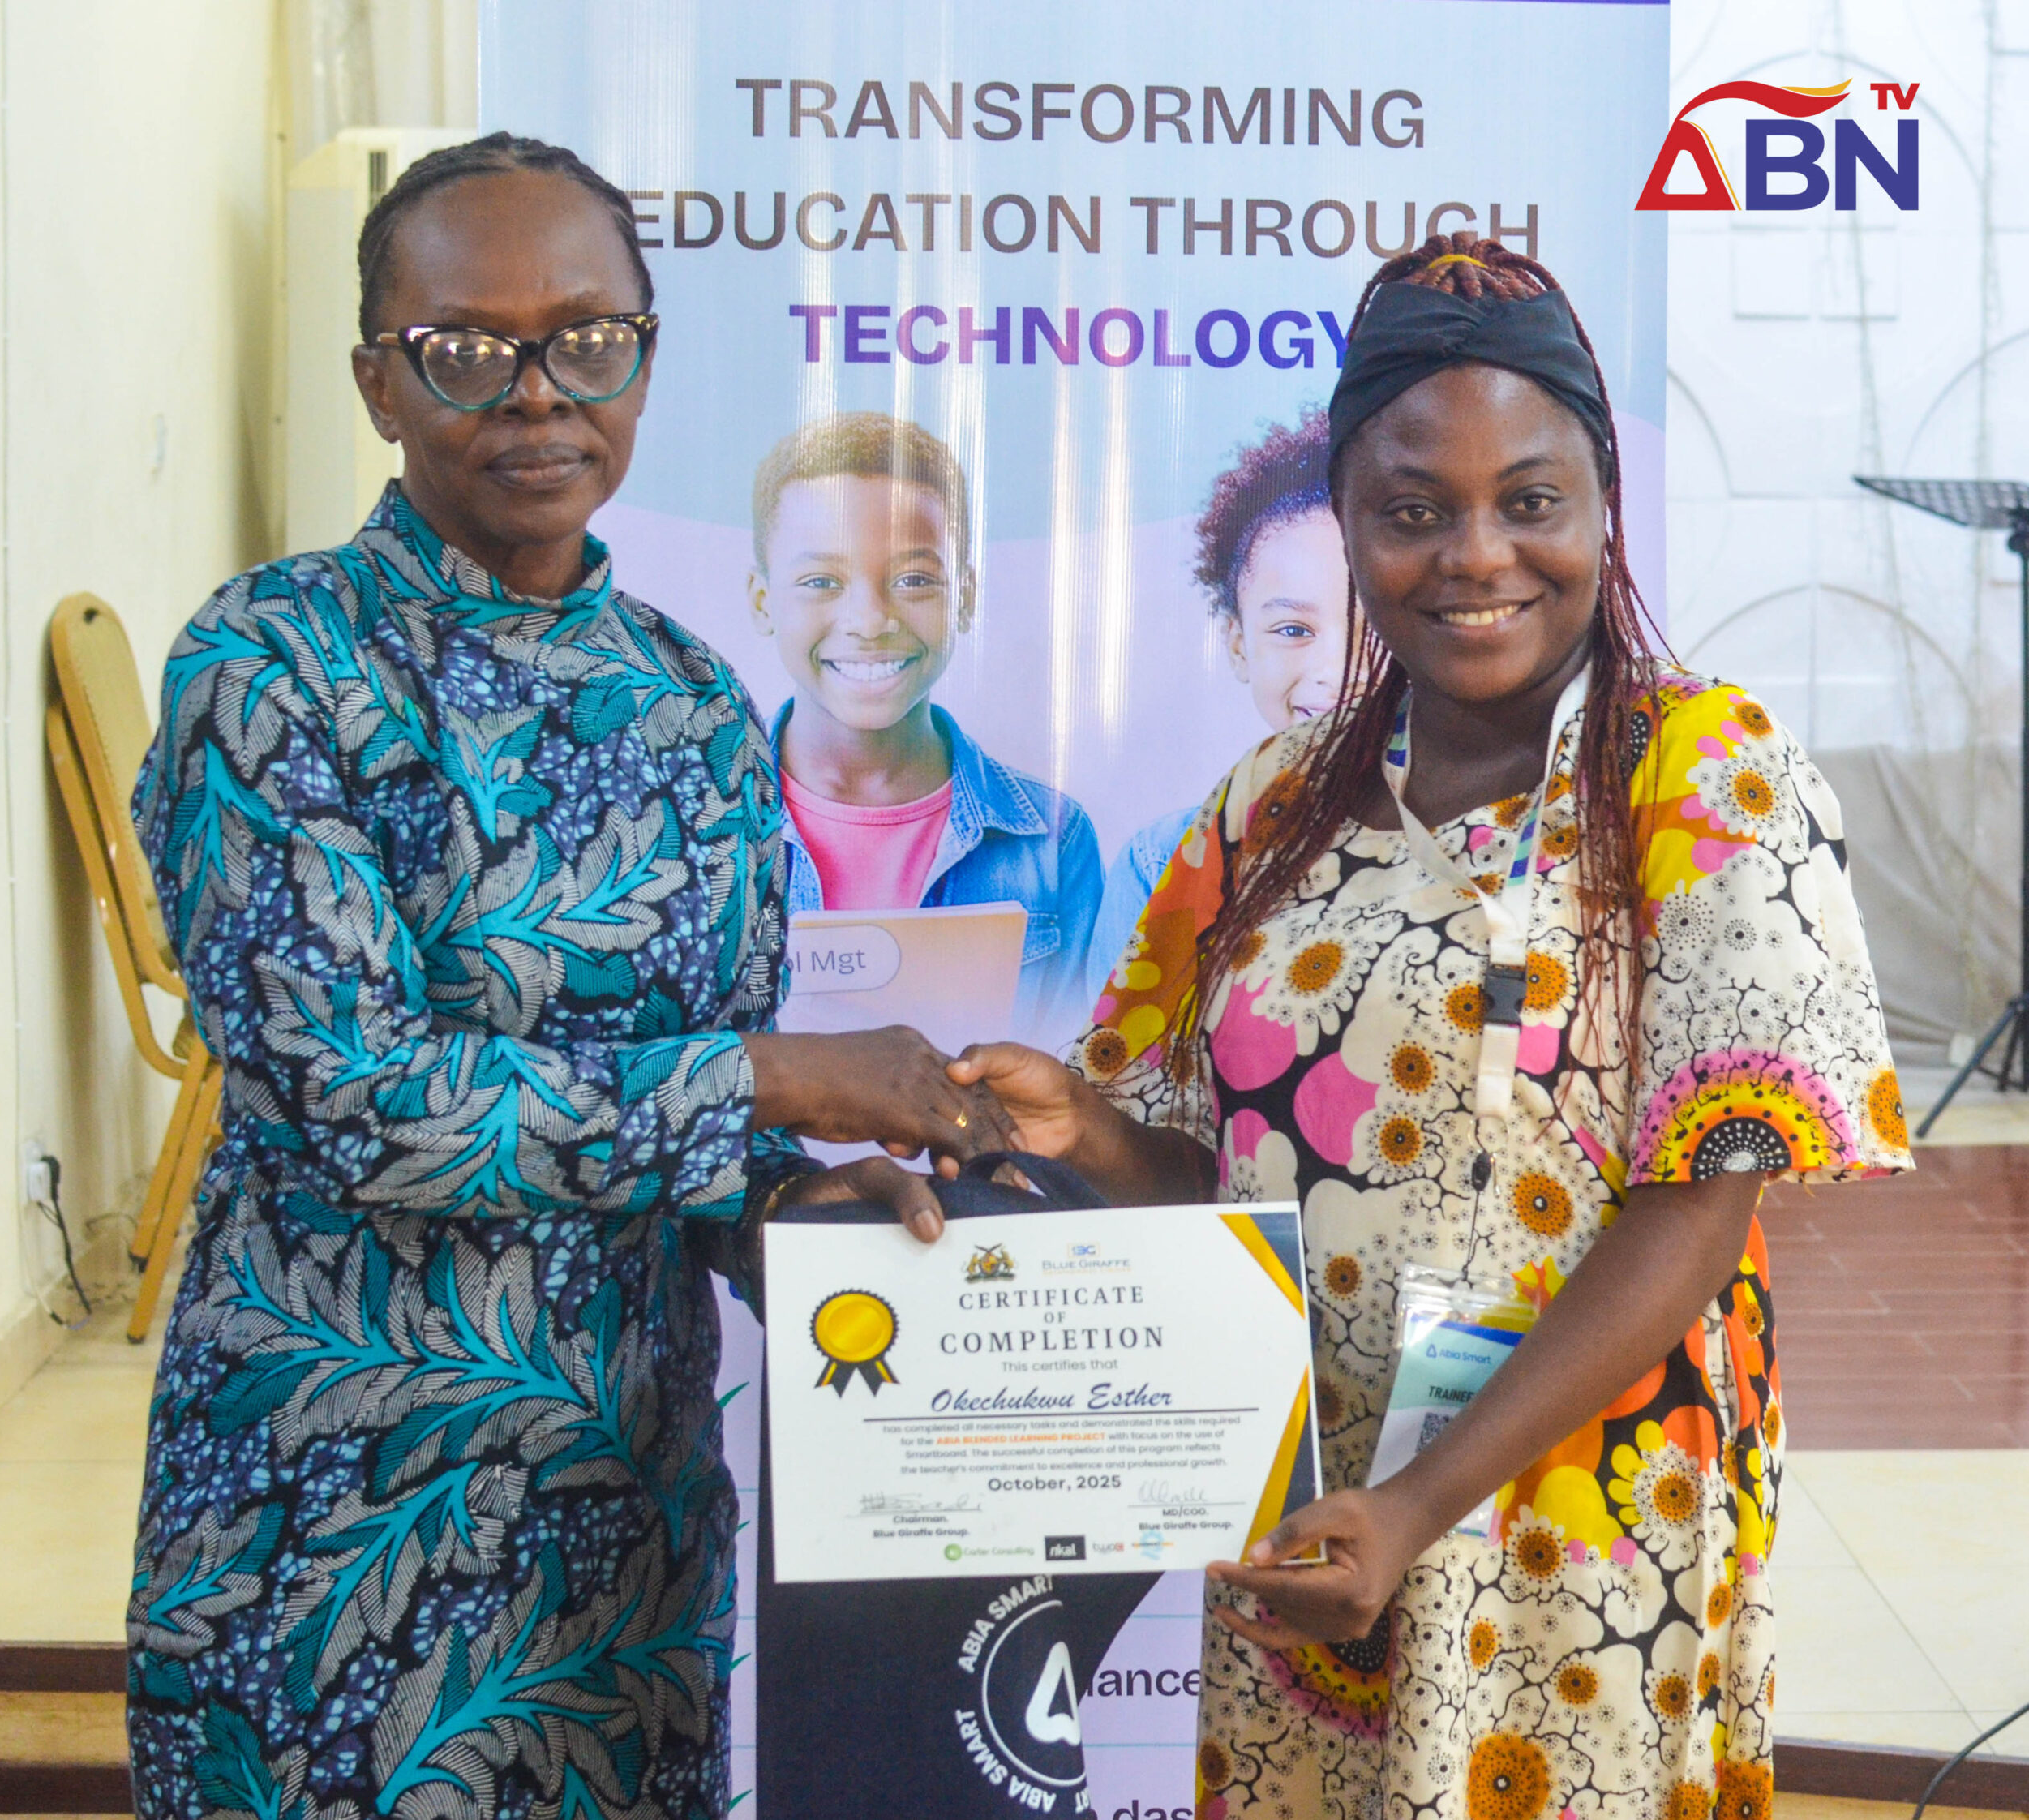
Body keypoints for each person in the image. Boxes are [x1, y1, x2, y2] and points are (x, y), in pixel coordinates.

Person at [946, 234, 1911, 1818]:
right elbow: (1226, 1181)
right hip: (1313, 1526)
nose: (1476, 555)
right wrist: (1086, 1134)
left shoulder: (1706, 774)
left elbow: (1692, 1214)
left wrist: (1417, 1506)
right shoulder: (1268, 808)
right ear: (1346, 525)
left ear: (1602, 504)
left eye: (1529, 500)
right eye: (1411, 511)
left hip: (1587, 1529)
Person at [124, 133, 1008, 1820]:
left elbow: (704, 1131)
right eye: (468, 348)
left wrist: (837, 1211)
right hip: (330, 1535)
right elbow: (353, 1100)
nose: (538, 393)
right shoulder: (270, 661)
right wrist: (775, 1081)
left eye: (587, 340)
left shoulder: (692, 699)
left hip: (621, 1552)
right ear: (380, 382)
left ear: (644, 362)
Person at [748, 411, 1102, 1040]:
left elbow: (1074, 1075)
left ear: (964, 596)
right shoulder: (691, 828)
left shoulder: (1053, 843)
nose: (869, 620)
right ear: (762, 601)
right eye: (821, 581)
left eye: (913, 580)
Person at [1087, 407, 1347, 994]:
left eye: (1374, 626)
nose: (1335, 674)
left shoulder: (1494, 846)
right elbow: (1111, 1048)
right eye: (1293, 630)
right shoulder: (1161, 863)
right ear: (1238, 645)